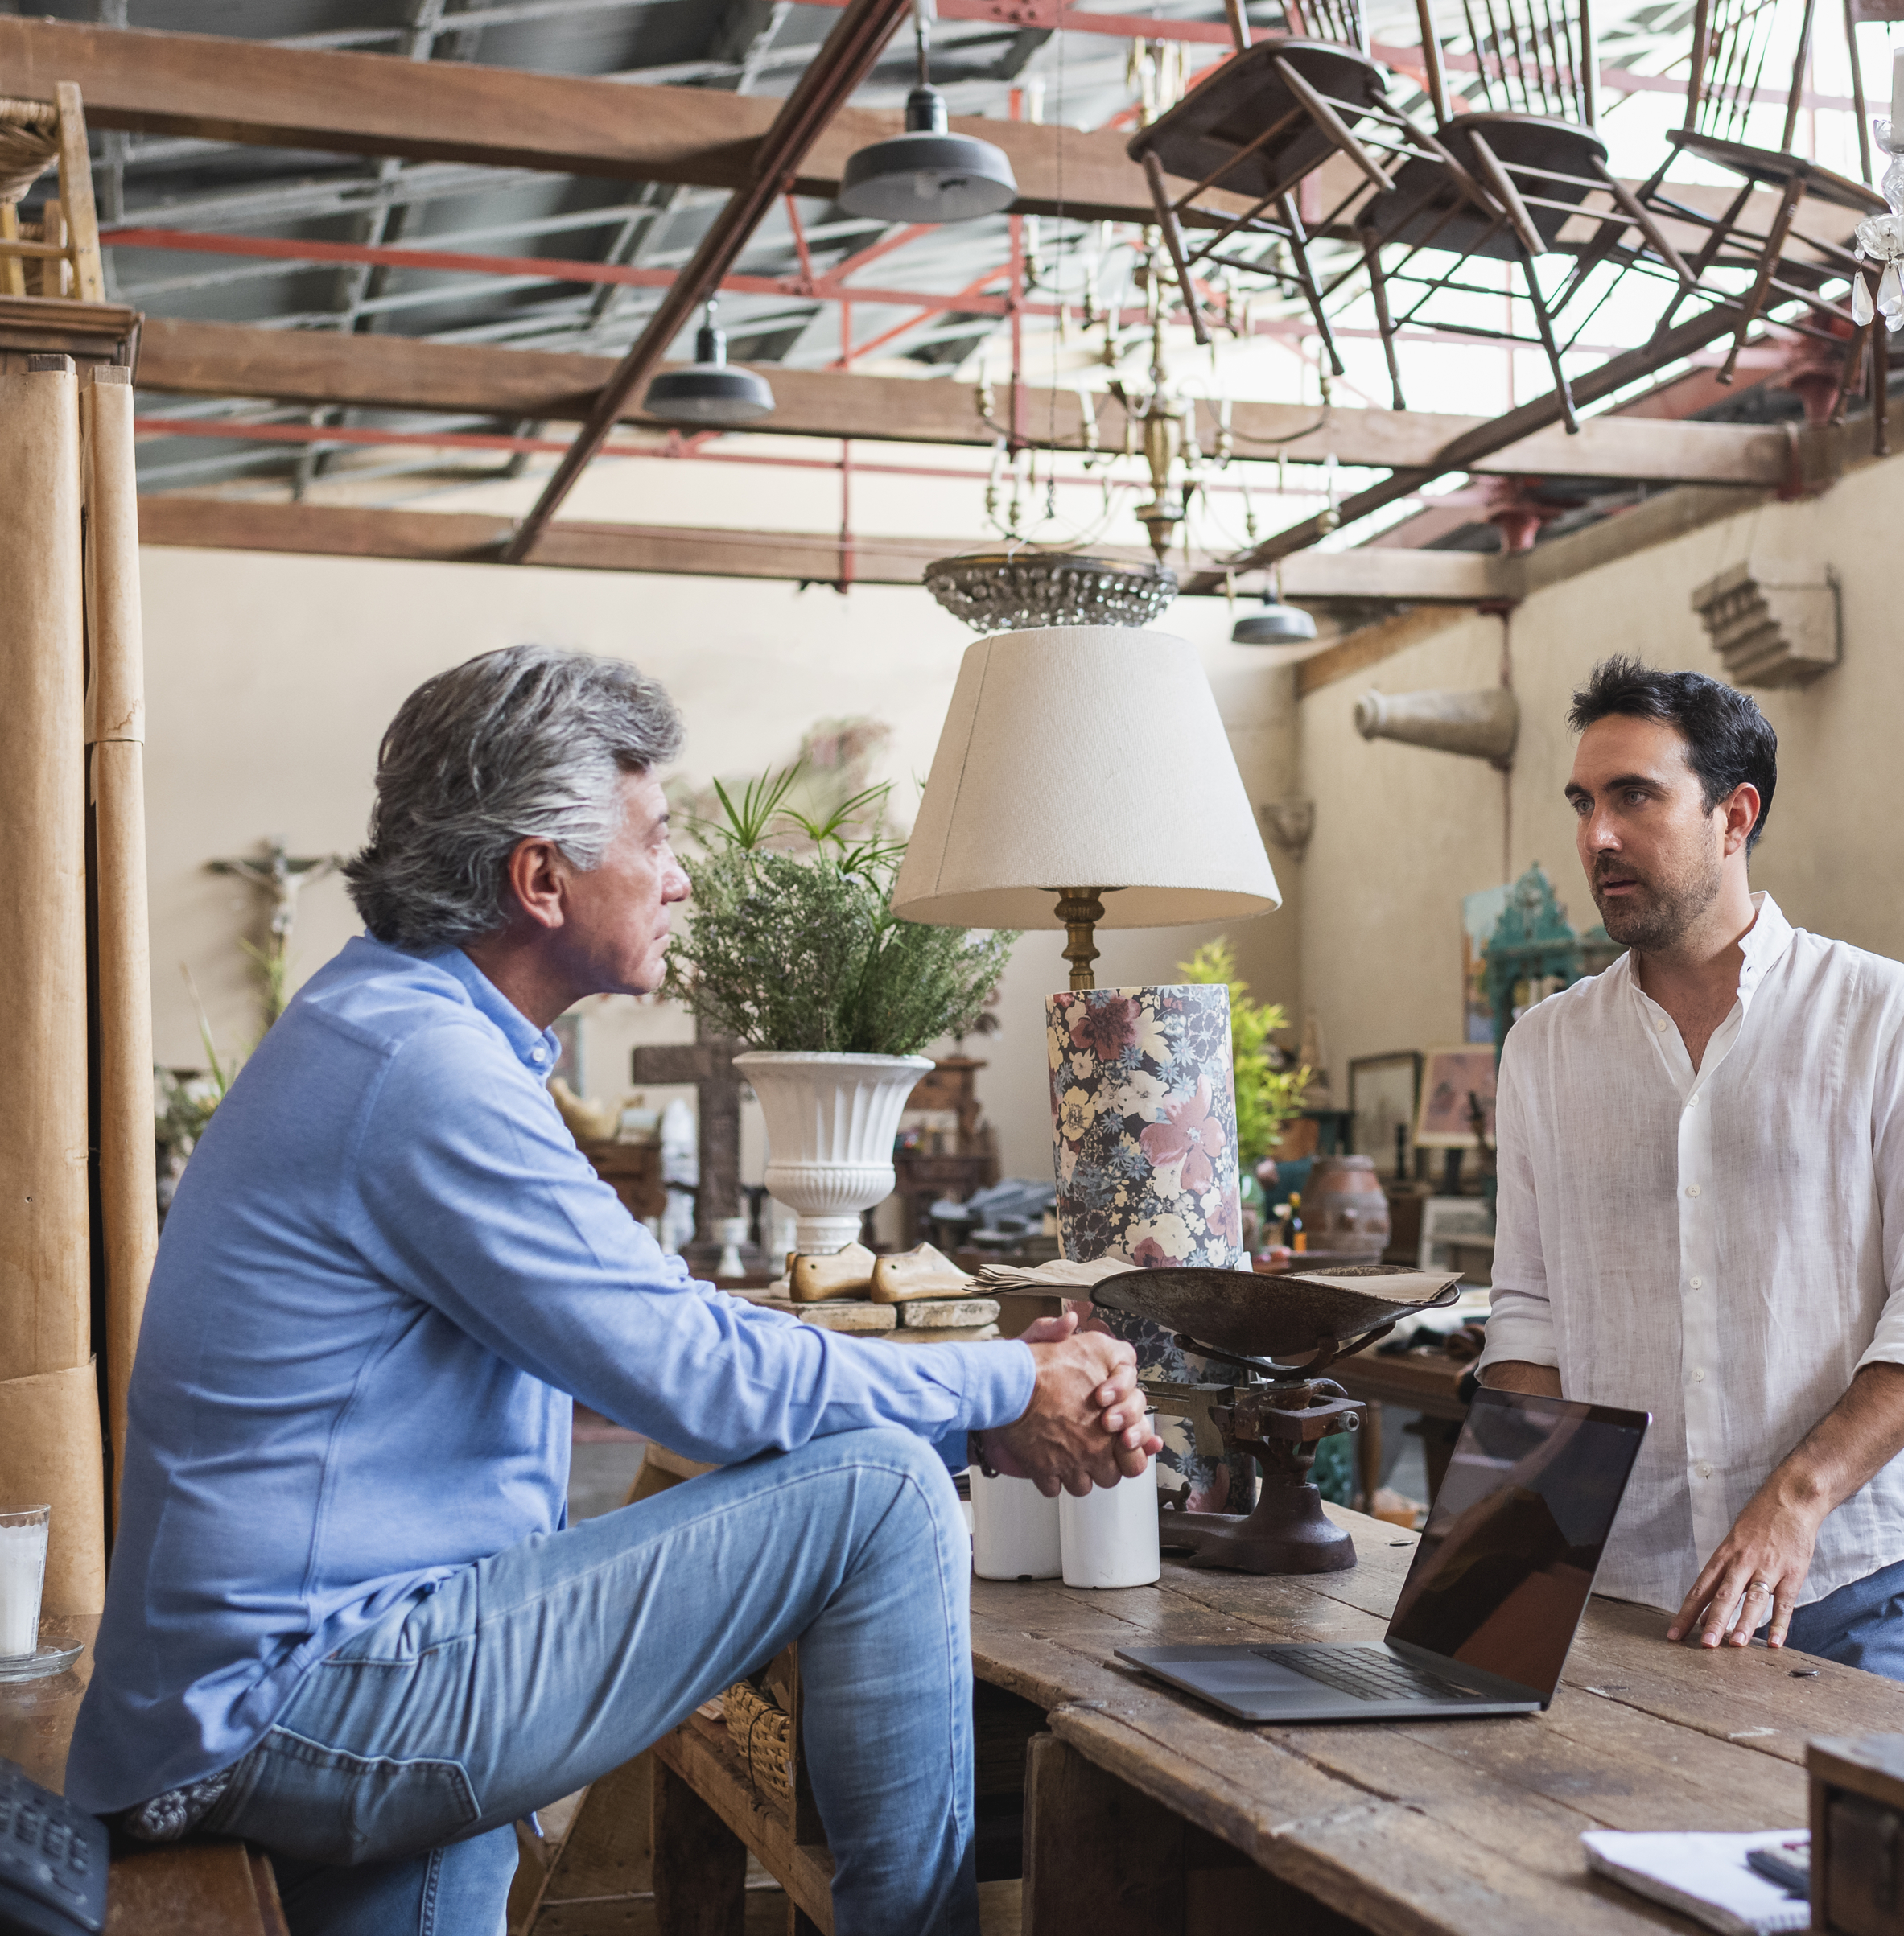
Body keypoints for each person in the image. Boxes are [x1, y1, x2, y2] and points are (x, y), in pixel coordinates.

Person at [68, 648, 1156, 1936]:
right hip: (300, 1701)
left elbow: (672, 1319)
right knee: (881, 1492)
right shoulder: (425, 1070)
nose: (681, 874)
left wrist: (994, 1384)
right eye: (656, 837)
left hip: (267, 1695)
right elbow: (694, 1382)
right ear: (540, 877)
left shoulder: (397, 1030)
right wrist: (995, 1390)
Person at [1481, 656, 1904, 1695]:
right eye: (1584, 802)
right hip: (1624, 1584)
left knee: (1853, 1861)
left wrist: (1794, 1501)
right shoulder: (1545, 1046)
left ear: (1734, 814)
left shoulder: (1883, 1014)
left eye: (1635, 796)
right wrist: (1522, 1561)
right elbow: (1527, 1315)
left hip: (1861, 1576)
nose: (1597, 836)